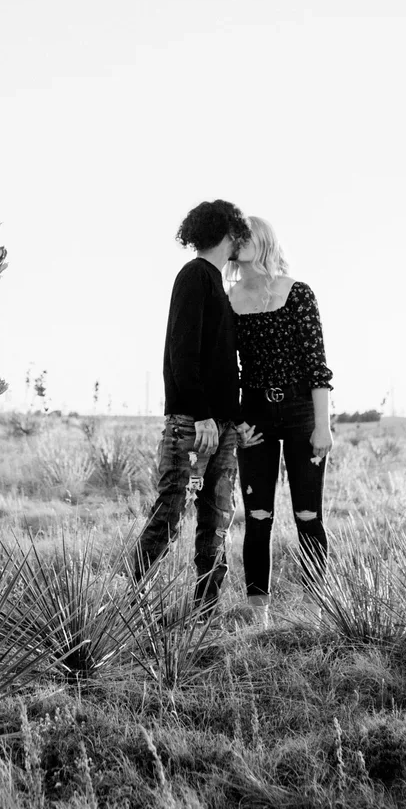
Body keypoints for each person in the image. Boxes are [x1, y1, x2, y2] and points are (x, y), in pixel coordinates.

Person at [130, 199, 251, 613]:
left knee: (217, 523)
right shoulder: (195, 275)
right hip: (193, 424)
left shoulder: (216, 280)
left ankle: (204, 617)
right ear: (228, 231)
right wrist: (201, 414)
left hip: (220, 425)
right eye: (239, 231)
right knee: (170, 517)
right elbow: (182, 352)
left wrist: (229, 419)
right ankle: (125, 606)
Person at [228, 215, 334, 628]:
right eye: (235, 238)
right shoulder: (229, 301)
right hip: (254, 415)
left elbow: (317, 367)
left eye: (246, 235)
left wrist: (322, 425)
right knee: (258, 517)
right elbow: (225, 370)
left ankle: (314, 611)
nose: (239, 243)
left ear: (265, 240)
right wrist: (236, 419)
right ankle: (260, 618)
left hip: (299, 412)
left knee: (308, 515)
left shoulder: (298, 293)